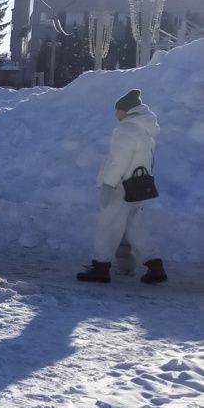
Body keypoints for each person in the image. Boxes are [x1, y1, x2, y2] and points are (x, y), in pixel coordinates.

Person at [77, 89, 167, 285]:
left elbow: (118, 161)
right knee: (136, 227)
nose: (116, 114)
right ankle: (154, 265)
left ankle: (101, 267)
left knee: (107, 226)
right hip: (139, 186)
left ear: (128, 111)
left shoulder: (126, 130)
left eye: (118, 110)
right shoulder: (146, 130)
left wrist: (109, 184)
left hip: (120, 187)